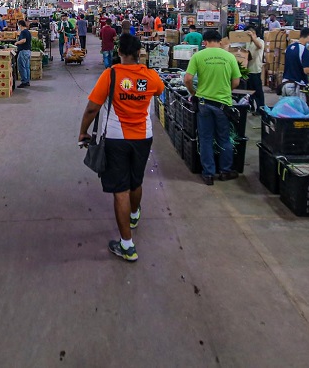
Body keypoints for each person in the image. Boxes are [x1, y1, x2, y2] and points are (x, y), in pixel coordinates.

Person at [78, 34, 164, 262]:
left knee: (120, 190)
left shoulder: (111, 75)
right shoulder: (151, 76)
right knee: (136, 181)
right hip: (143, 137)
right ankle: (134, 214)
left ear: (119, 52)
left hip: (116, 139)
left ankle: (127, 245)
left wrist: (83, 131)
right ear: (139, 53)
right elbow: (159, 90)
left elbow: (92, 108)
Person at [184, 30, 244, 186]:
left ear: (205, 41)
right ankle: (225, 171)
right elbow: (236, 82)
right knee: (224, 138)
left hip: (204, 103)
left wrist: (193, 92)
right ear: (220, 41)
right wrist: (225, 90)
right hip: (223, 104)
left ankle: (208, 174)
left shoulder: (198, 56)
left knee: (205, 139)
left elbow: (188, 79)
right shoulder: (229, 57)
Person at [282, 27, 309, 95]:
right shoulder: (304, 50)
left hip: (285, 84)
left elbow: (295, 62)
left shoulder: (289, 48)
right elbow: (307, 71)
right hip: (297, 86)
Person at [242, 28, 265, 112]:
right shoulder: (248, 42)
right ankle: (251, 107)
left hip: (255, 70)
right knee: (249, 91)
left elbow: (259, 46)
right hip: (247, 70)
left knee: (258, 91)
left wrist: (252, 37)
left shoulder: (260, 41)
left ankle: (260, 109)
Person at [14, 20, 32, 87]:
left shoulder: (23, 32)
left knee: (22, 66)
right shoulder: (28, 31)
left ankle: (24, 81)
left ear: (20, 25)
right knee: (27, 67)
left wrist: (17, 43)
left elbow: (24, 40)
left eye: (18, 26)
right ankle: (27, 81)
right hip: (28, 51)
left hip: (23, 51)